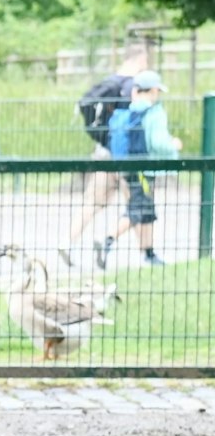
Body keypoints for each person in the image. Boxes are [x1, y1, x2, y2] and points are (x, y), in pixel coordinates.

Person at [67, 45, 150, 267]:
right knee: (138, 203)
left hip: (103, 152)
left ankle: (68, 244)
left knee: (92, 202)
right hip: (123, 155)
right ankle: (145, 254)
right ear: (140, 59)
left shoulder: (109, 83)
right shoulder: (131, 86)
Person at [97, 69, 180, 270]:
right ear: (152, 90)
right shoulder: (154, 112)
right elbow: (158, 142)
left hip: (130, 166)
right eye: (157, 91)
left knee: (146, 210)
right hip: (145, 168)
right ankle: (107, 241)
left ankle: (150, 254)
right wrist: (174, 144)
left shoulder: (132, 109)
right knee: (138, 209)